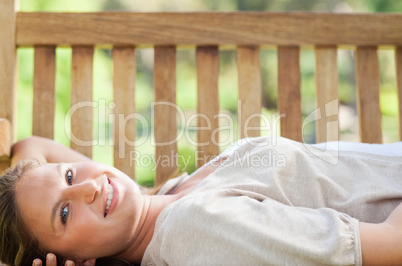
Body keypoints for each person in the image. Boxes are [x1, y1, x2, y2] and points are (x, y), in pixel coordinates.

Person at [1, 135, 402, 266]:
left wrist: (24, 190)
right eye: (65, 214)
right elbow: (393, 244)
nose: (86, 188)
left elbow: (34, 146)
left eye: (69, 176)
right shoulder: (191, 229)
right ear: (74, 261)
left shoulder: (160, 201)